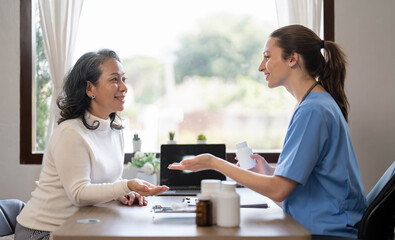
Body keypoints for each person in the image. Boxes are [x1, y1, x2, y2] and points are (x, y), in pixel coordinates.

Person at [169, 25, 367, 238]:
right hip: (319, 227)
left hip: (328, 233)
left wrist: (213, 163)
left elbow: (278, 190)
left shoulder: (313, 110)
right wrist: (269, 173)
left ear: (292, 59)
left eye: (267, 57)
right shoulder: (316, 104)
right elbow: (302, 184)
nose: (261, 67)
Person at [15, 49, 169, 240]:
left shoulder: (115, 130)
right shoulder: (70, 132)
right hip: (43, 232)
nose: (124, 87)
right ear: (90, 89)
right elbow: (79, 193)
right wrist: (125, 186)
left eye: (123, 79)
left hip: (81, 226)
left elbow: (108, 181)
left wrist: (126, 192)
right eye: (114, 79)